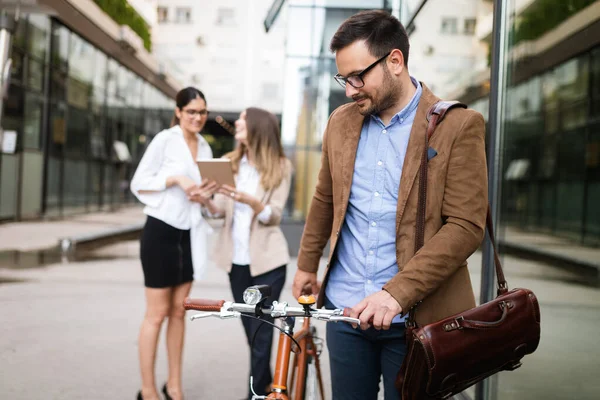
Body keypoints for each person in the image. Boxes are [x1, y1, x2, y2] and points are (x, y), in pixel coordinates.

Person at [291, 10, 488, 400]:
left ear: (395, 61)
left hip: (416, 320)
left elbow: (466, 227)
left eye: (357, 77)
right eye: (343, 79)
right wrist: (306, 264)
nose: (349, 90)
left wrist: (397, 293)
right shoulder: (340, 122)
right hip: (345, 313)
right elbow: (325, 198)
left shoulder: (457, 126)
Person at [130, 87, 218, 400]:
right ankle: (148, 389)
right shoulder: (165, 140)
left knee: (179, 313)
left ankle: (175, 385)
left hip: (189, 235)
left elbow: (208, 199)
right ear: (178, 111)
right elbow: (138, 183)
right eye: (192, 111)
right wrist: (177, 180)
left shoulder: (206, 147)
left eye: (202, 112)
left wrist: (206, 197)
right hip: (161, 232)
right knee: (156, 315)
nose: (198, 117)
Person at [202, 107, 292, 400]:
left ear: (256, 127)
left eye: (241, 119)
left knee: (261, 334)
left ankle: (253, 396)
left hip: (268, 262)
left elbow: (273, 215)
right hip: (237, 263)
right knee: (250, 333)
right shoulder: (229, 163)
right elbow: (217, 212)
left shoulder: (280, 167)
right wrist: (207, 201)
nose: (237, 123)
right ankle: (267, 387)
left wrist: (251, 201)